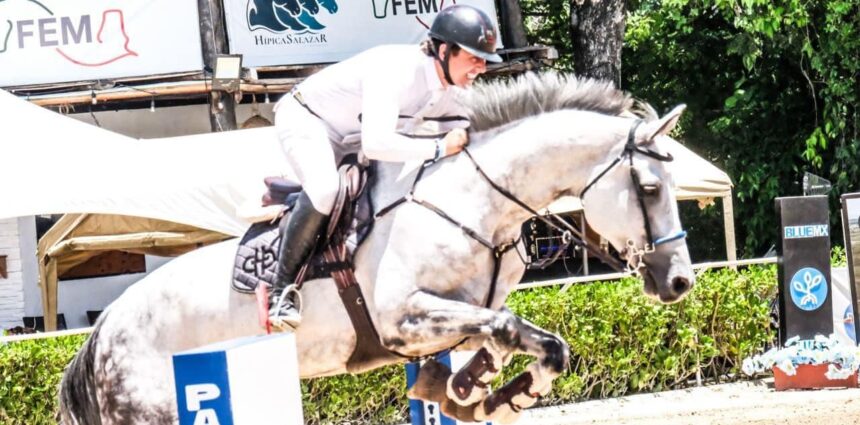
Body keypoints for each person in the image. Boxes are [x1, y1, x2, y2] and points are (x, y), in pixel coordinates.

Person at [268, 4, 503, 331]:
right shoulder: (396, 70)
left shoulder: (454, 89)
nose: (481, 67)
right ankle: (282, 293)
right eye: (474, 57)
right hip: (309, 120)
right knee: (325, 189)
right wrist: (437, 147)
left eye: (485, 60)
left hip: (351, 137)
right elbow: (377, 144)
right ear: (445, 50)